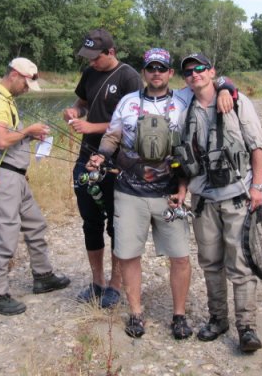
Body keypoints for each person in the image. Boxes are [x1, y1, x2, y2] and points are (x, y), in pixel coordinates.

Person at [87, 48, 235, 340]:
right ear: (144, 72)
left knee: (180, 256)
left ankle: (179, 316)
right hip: (129, 191)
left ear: (170, 74)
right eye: (150, 68)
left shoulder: (184, 98)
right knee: (129, 255)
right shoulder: (128, 102)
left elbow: (213, 80)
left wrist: (226, 90)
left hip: (171, 194)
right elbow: (113, 135)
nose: (156, 73)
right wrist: (101, 156)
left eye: (162, 68)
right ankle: (136, 314)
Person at [173, 53, 262, 352]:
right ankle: (218, 319)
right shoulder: (183, 106)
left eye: (200, 68)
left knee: (240, 263)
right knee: (211, 263)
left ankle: (247, 328)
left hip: (237, 195)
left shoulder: (236, 101)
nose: (195, 74)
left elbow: (257, 145)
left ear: (211, 71)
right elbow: (184, 156)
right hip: (202, 200)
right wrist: (182, 190)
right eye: (188, 71)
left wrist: (257, 186)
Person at [0, 57, 70, 316]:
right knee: (4, 234)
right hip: (3, 178)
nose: (27, 89)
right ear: (15, 75)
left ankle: (43, 276)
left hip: (14, 176)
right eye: (27, 84)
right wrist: (28, 130)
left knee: (35, 223)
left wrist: (28, 136)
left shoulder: (6, 100)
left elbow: (10, 139)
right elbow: (0, 140)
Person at [63, 29, 142, 308]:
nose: (91, 63)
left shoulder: (129, 76)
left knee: (117, 225)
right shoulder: (89, 73)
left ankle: (115, 285)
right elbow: (82, 102)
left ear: (110, 52)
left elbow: (133, 121)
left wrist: (93, 127)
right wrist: (74, 113)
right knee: (91, 222)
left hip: (118, 163)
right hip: (86, 157)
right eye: (88, 58)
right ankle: (96, 282)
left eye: (95, 58)